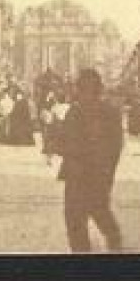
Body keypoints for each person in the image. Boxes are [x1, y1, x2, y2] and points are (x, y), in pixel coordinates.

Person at [56, 69, 124, 253]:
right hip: (86, 174)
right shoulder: (80, 112)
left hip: (88, 174)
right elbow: (117, 145)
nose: (81, 93)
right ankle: (96, 246)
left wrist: (107, 170)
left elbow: (115, 145)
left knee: (89, 213)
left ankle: (109, 239)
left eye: (84, 89)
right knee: (84, 214)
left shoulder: (98, 113)